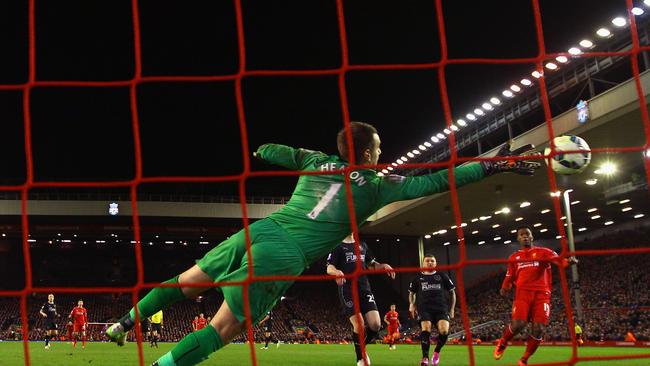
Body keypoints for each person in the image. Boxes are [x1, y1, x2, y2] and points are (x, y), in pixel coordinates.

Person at [105, 122, 540, 366]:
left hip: (259, 230)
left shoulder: (317, 161)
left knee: (187, 281)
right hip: (285, 253)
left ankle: (123, 323)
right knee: (223, 329)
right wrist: (490, 166)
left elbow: (283, 151)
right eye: (379, 147)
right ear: (368, 154)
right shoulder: (375, 185)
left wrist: (261, 150)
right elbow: (437, 179)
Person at [493, 226, 577, 366]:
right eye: (521, 235)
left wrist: (568, 262)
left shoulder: (544, 252)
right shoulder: (514, 257)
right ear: (518, 239)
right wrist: (504, 287)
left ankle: (524, 359)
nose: (525, 236)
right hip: (522, 294)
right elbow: (509, 276)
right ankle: (503, 342)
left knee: (539, 329)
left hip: (542, 295)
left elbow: (559, 261)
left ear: (532, 237)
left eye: (527, 234)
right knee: (519, 324)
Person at [327, 234, 395, 366]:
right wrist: (336, 272)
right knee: (359, 324)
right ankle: (360, 357)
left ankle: (360, 345)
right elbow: (329, 267)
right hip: (347, 289)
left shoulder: (362, 245)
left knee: (375, 325)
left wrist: (383, 265)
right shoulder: (337, 246)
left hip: (364, 289)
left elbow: (371, 264)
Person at [409, 255, 456, 366]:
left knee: (444, 331)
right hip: (424, 309)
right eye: (427, 261)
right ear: (423, 263)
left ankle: (436, 352)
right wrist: (412, 304)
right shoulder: (417, 278)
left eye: (432, 261)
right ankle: (425, 357)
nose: (430, 262)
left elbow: (452, 293)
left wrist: (452, 309)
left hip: (441, 308)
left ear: (435, 263)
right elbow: (411, 293)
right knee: (426, 329)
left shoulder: (442, 276)